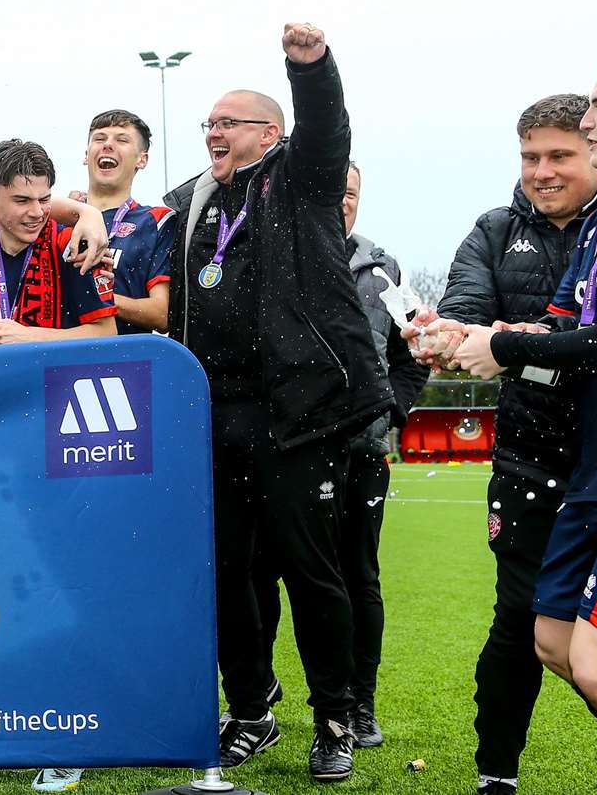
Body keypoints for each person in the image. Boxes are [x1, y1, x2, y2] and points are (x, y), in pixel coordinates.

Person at [453, 50, 597, 794]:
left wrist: (506, 346)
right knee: (550, 640)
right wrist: (471, 342)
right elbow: (560, 327)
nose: (586, 120)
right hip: (591, 469)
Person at [164, 24, 390, 782]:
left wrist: (310, 68)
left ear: (270, 132)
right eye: (208, 124)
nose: (213, 133)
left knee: (311, 571)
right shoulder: (197, 199)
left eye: (227, 123)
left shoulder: (301, 178)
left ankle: (334, 720)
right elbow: (120, 213)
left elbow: (328, 128)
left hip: (296, 415)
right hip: (215, 415)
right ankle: (253, 708)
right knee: (229, 573)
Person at [415, 93, 597, 795]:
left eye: (558, 156)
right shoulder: (492, 230)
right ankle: (497, 775)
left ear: (595, 150)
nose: (541, 172)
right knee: (519, 620)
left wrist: (510, 348)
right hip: (531, 460)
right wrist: (443, 336)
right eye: (529, 157)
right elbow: (464, 320)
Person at [253, 162, 429, 759]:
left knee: (359, 578)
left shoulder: (384, 270)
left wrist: (389, 411)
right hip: (283, 452)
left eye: (349, 194)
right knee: (260, 578)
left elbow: (415, 350)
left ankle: (358, 704)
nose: (340, 202)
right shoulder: (271, 256)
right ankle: (255, 696)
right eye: (332, 191)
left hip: (360, 453)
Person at [0, 140, 116, 346]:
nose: (37, 212)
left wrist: (32, 337)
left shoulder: (72, 245)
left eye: (44, 200)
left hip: (50, 376)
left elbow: (107, 333)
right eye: (22, 201)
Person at [78, 109, 174, 333]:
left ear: (142, 159)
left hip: (124, 362)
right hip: (59, 359)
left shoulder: (156, 222)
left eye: (122, 140)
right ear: (86, 154)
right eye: (99, 138)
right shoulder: (61, 220)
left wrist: (95, 298)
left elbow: (161, 314)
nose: (107, 145)